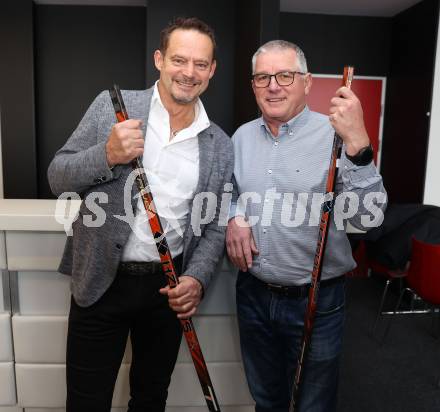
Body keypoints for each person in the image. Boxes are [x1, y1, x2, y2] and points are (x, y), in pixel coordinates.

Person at [48, 17, 233, 412]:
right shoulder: (112, 107)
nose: (189, 72)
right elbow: (57, 176)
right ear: (159, 60)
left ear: (212, 70)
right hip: (100, 282)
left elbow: (215, 224)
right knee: (85, 401)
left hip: (166, 292)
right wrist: (108, 155)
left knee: (150, 400)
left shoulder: (220, 144)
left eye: (201, 64)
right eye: (179, 60)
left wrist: (196, 278)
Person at [226, 40, 387, 412]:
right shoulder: (241, 138)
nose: (273, 85)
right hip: (253, 292)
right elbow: (227, 192)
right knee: (266, 398)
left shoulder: (336, 135)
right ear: (253, 85)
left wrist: (359, 142)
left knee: (312, 403)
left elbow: (368, 217)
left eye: (285, 75)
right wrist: (233, 215)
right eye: (263, 77)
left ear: (308, 82)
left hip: (317, 298)